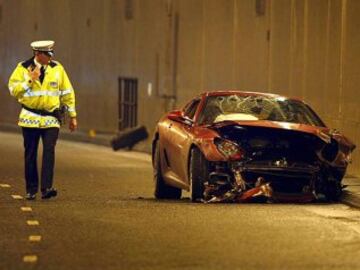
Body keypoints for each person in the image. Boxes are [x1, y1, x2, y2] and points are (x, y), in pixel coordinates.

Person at [8, 40, 78, 200]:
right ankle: (31, 189)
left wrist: (73, 115)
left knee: (49, 151)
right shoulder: (23, 68)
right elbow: (13, 90)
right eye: (47, 55)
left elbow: (67, 92)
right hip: (30, 118)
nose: (50, 57)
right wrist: (30, 80)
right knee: (30, 153)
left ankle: (46, 187)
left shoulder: (57, 69)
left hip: (51, 119)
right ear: (37, 54)